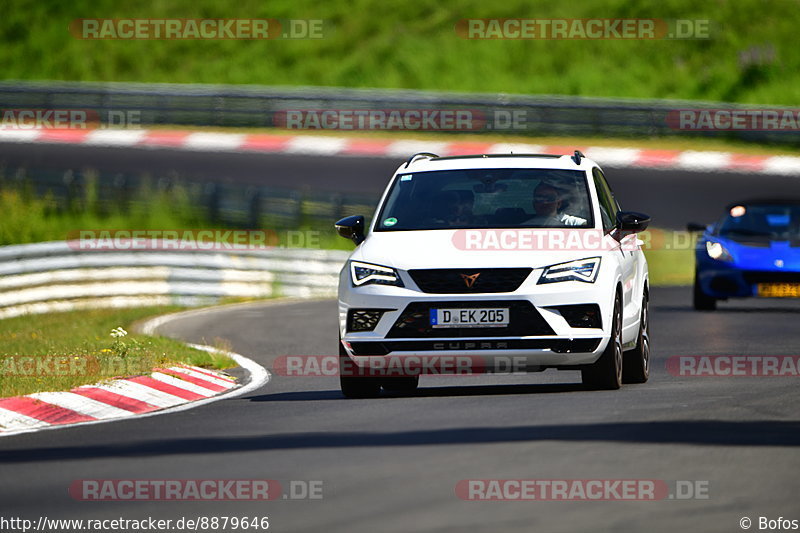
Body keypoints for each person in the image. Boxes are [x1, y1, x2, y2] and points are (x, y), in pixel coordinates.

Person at [523, 182, 587, 226]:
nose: (545, 202)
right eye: (540, 198)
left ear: (559, 203)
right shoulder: (522, 228)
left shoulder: (572, 223)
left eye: (550, 198)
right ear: (534, 203)